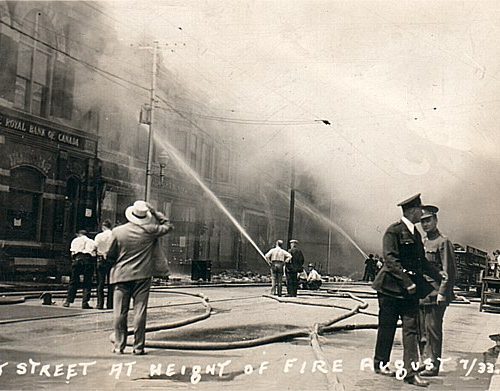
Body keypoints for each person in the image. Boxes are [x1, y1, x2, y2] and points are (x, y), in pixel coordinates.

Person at [371, 194, 442, 387]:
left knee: (410, 328)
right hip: (390, 288)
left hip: (409, 291)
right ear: (412, 211)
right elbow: (390, 260)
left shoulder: (415, 234)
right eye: (420, 210)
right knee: (387, 326)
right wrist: (407, 282)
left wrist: (439, 276)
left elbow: (422, 262)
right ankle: (380, 363)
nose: (422, 213)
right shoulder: (393, 232)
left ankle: (410, 372)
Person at [106, 200, 173, 355]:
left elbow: (110, 255)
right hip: (143, 276)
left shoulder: (118, 232)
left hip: (121, 275)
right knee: (140, 312)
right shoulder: (149, 231)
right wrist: (155, 212)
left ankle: (119, 346)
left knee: (119, 313)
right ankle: (138, 347)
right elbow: (168, 226)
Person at [418, 205, 457, 377]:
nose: (425, 224)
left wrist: (442, 292)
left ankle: (433, 365)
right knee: (421, 331)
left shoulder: (443, 242)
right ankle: (423, 362)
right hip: (421, 293)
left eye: (428, 220)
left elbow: (449, 271)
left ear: (435, 220)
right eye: (422, 221)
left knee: (433, 330)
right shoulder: (424, 242)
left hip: (435, 294)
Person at [63, 230, 97, 309]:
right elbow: (93, 254)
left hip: (77, 259)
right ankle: (85, 302)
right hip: (87, 260)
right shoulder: (91, 241)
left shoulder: (75, 240)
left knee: (73, 281)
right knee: (87, 282)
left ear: (79, 234)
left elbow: (72, 253)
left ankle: (68, 301)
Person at [94, 219, 114, 310]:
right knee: (111, 283)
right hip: (112, 260)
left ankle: (100, 304)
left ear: (103, 227)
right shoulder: (114, 235)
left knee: (100, 283)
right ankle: (110, 304)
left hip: (101, 260)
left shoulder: (99, 236)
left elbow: (95, 247)